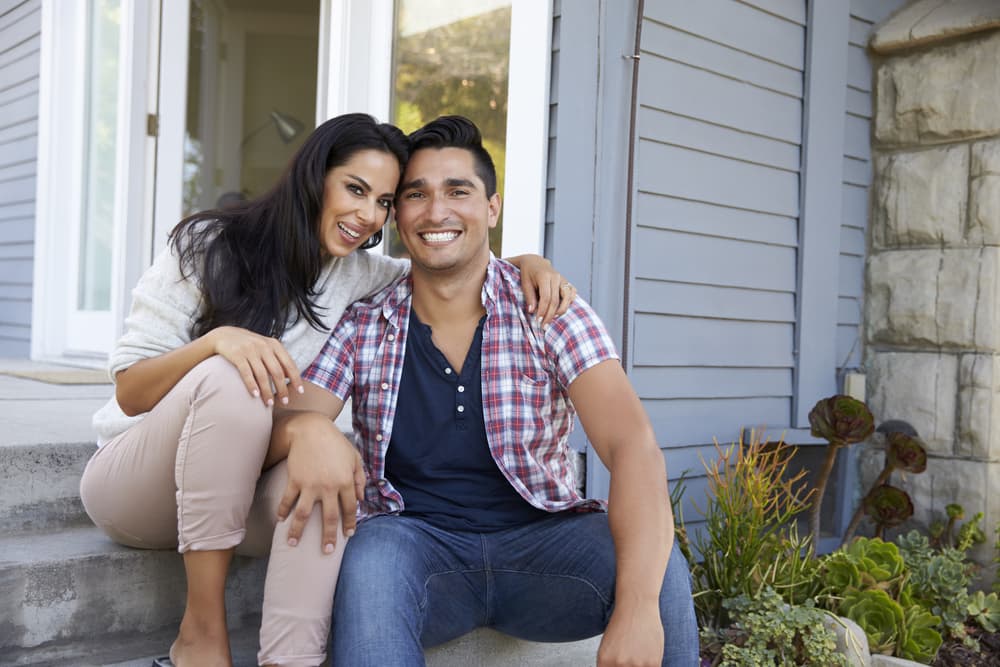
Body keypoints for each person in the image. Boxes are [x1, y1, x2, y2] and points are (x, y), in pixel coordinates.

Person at [79, 112, 576, 667]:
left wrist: (528, 263)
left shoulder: (358, 275)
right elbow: (131, 391)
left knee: (329, 480)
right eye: (355, 190)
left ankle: (291, 660)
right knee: (231, 374)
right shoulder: (208, 245)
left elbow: (450, 264)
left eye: (383, 202)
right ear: (314, 178)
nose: (367, 216)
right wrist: (219, 341)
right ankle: (201, 634)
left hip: (243, 486)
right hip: (139, 486)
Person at [273, 115, 699, 666]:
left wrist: (637, 610)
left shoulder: (548, 310)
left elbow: (632, 446)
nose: (436, 212)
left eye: (459, 191)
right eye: (416, 194)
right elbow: (288, 426)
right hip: (414, 547)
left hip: (546, 546)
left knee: (659, 569)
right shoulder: (364, 323)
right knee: (371, 563)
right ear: (397, 215)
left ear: (492, 208)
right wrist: (308, 427)